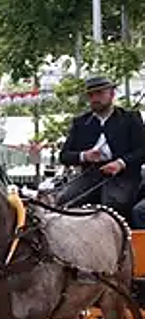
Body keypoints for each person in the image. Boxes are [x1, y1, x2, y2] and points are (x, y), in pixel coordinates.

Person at [55, 75, 145, 223]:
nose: (95, 98)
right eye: (91, 95)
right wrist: (84, 156)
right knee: (64, 201)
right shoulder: (81, 122)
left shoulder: (130, 118)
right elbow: (64, 156)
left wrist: (120, 163)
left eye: (100, 93)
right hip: (90, 175)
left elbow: (142, 151)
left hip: (123, 177)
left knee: (112, 205)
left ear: (112, 94)